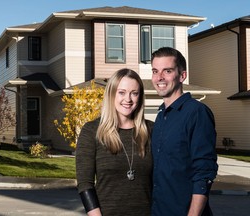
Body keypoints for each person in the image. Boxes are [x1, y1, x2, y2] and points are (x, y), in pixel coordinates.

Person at [150, 47, 218, 216]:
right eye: (155, 71)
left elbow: (203, 172)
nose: (159, 77)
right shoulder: (161, 117)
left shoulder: (196, 112)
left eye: (167, 71)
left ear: (182, 76)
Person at [76, 68, 153, 216]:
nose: (128, 99)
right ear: (111, 94)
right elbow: (85, 184)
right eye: (122, 92)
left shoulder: (151, 130)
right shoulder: (91, 131)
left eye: (134, 93)